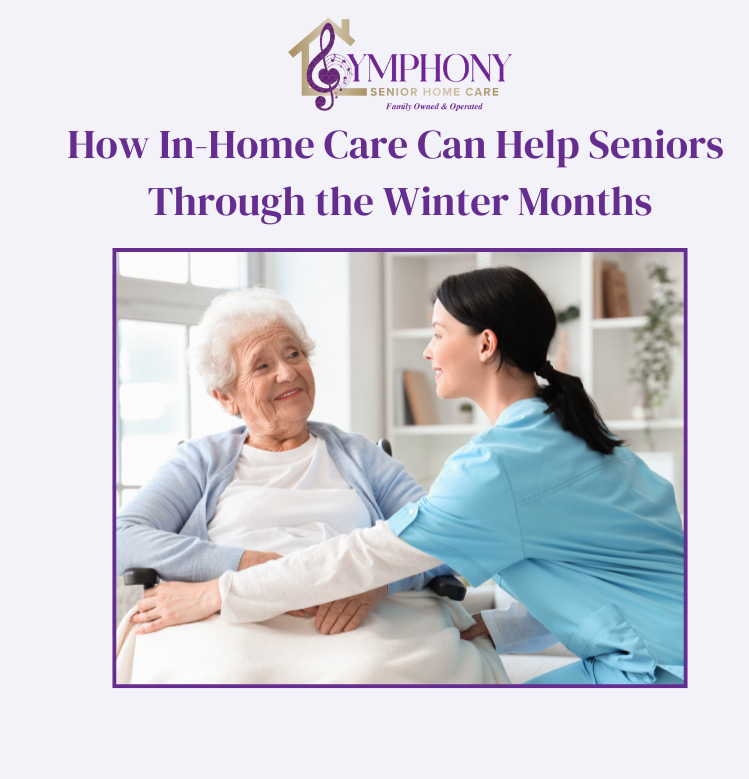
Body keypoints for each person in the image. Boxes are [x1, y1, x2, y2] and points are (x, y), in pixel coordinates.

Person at [135, 268, 685, 685]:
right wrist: (497, 628)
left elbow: (368, 556)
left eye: (438, 332)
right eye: (261, 365)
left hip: (653, 668)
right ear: (224, 397)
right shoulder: (575, 435)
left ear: (486, 344)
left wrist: (219, 591)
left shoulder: (495, 466)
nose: (427, 350)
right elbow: (593, 577)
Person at [116, 287, 508, 684]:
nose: (287, 373)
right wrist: (245, 565)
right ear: (225, 396)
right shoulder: (200, 461)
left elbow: (442, 540)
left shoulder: (361, 455)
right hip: (234, 621)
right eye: (261, 366)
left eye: (293, 354)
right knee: (228, 675)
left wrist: (377, 579)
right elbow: (124, 537)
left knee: (371, 672)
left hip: (357, 621)